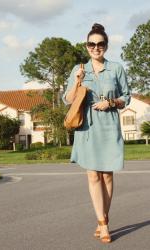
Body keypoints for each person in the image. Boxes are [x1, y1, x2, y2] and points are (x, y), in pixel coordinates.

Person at [62, 23, 130, 244]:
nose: (96, 47)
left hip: (109, 126)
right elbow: (68, 100)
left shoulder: (116, 68)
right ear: (86, 46)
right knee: (93, 175)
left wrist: (110, 102)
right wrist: (79, 80)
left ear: (106, 46)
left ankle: (103, 217)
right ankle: (103, 225)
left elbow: (126, 97)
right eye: (92, 44)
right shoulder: (78, 69)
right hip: (87, 128)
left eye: (100, 44)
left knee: (107, 176)